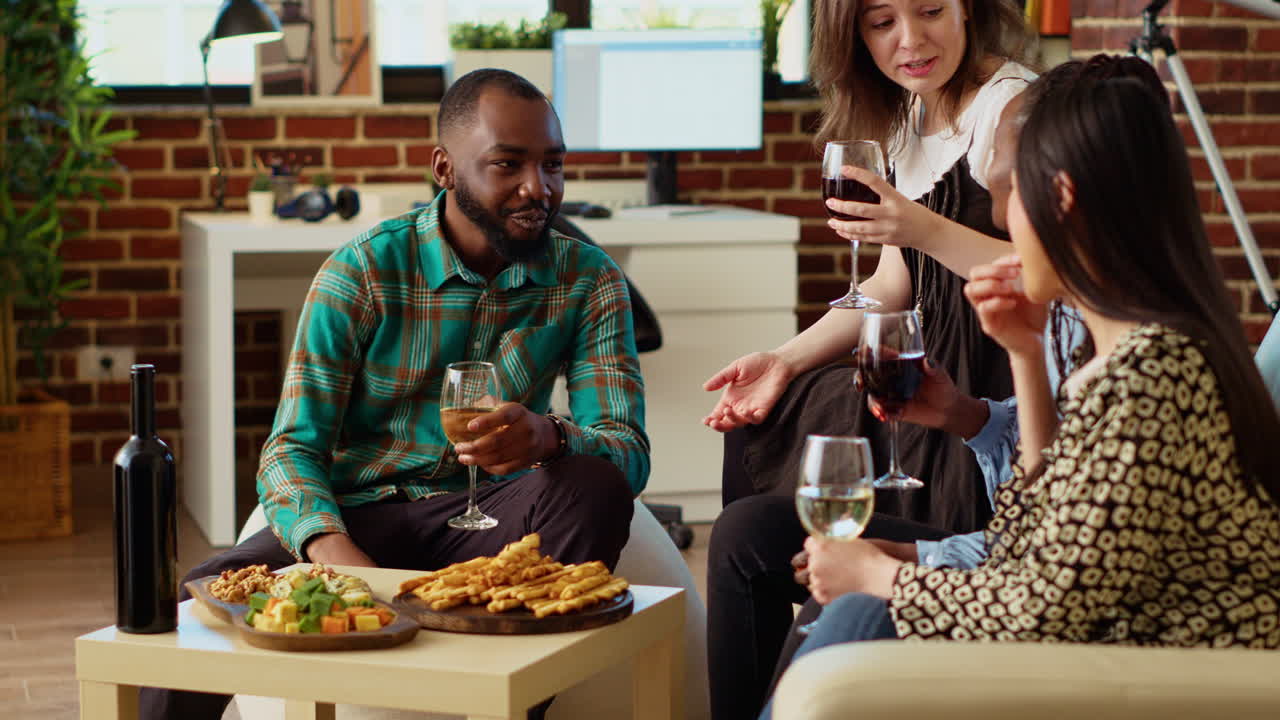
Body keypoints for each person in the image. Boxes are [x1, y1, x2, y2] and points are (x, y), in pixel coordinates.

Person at [763, 55, 1280, 719]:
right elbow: (1032, 537)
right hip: (1106, 654)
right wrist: (1026, 358)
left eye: (1005, 193)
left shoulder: (1154, 376)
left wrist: (882, 575)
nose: (1003, 223)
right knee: (853, 617)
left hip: (1154, 680)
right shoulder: (1131, 361)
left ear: (1060, 197)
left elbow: (1047, 606)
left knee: (856, 618)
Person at [139, 69, 649, 720]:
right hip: (363, 515)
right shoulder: (364, 272)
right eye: (508, 165)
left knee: (594, 485)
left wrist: (549, 437)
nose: (538, 189)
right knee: (197, 602)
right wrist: (342, 566)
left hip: (488, 523)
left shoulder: (589, 279)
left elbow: (627, 450)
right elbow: (292, 449)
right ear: (444, 167)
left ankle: (507, 706)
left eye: (553, 165)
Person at [705, 2, 1036, 715]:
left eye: (929, 11)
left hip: (992, 371)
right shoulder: (907, 117)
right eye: (882, 22)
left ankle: (836, 623)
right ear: (853, 36)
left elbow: (1047, 269)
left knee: (770, 506)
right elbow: (892, 285)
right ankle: (789, 656)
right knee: (762, 420)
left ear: (969, 8)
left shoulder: (1010, 107)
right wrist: (784, 361)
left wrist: (921, 226)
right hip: (920, 359)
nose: (910, 40)